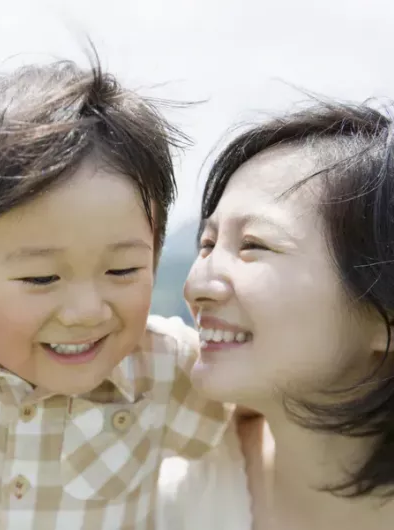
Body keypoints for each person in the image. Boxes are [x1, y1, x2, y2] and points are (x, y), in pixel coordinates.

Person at [0, 55, 233, 529]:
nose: (86, 312)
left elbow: (268, 418)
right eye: (42, 278)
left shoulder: (167, 369)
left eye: (122, 269)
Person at [157, 100, 394, 529]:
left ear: (384, 316)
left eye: (253, 245)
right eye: (207, 245)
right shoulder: (178, 498)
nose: (196, 285)